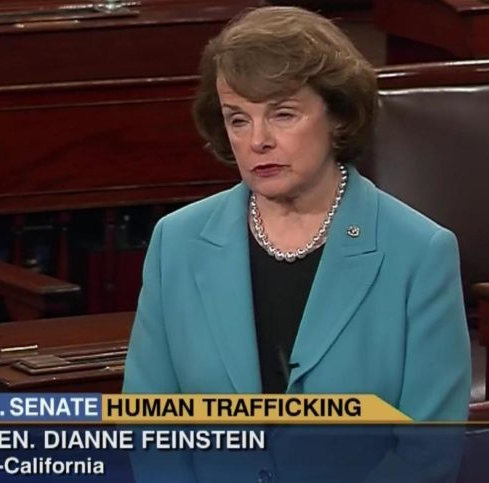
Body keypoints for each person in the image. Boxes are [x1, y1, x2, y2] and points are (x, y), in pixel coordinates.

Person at [122, 6, 471, 422]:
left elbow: (430, 445)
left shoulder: (419, 252)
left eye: (282, 114)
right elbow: (148, 422)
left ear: (337, 115)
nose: (258, 141)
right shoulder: (177, 241)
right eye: (238, 119)